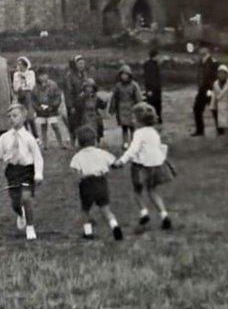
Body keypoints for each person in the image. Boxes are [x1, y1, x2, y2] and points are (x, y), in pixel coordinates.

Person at [0, 104, 44, 240]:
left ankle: (30, 227)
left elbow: (37, 157)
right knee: (15, 202)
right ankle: (20, 214)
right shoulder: (5, 138)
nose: (11, 119)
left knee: (26, 198)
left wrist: (38, 174)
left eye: (15, 116)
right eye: (9, 116)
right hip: (12, 171)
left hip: (27, 171)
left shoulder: (29, 138)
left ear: (23, 117)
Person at [112, 102, 174, 231]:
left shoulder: (138, 133)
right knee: (152, 191)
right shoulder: (154, 132)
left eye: (133, 118)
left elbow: (132, 150)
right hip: (154, 166)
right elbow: (159, 147)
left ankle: (144, 213)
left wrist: (121, 161)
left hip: (140, 167)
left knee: (137, 191)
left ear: (140, 120)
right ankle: (164, 215)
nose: (132, 120)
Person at [69, 125, 123, 241]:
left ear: (79, 142)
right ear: (95, 140)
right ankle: (115, 226)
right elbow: (115, 163)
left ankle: (88, 233)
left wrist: (79, 179)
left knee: (85, 210)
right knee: (106, 209)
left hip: (87, 184)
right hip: (101, 182)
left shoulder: (77, 157)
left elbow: (76, 172)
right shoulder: (102, 153)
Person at [108, 65, 143, 148]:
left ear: (129, 75)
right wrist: (112, 109)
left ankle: (134, 142)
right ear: (120, 76)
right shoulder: (118, 86)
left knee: (132, 127)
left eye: (126, 74)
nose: (124, 76)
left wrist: (139, 107)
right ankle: (125, 142)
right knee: (124, 127)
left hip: (131, 109)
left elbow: (138, 98)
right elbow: (114, 98)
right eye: (122, 75)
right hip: (121, 109)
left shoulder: (134, 85)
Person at [33, 69, 65, 149]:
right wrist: (38, 108)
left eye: (44, 75)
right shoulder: (35, 87)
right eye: (41, 76)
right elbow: (33, 99)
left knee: (55, 125)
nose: (43, 77)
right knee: (43, 126)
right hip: (41, 110)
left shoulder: (53, 84)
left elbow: (58, 96)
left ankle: (60, 143)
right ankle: (45, 144)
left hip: (52, 109)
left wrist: (53, 106)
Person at [192, 46, 218, 136]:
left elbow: (215, 77)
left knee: (214, 109)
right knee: (197, 109)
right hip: (202, 89)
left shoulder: (213, 62)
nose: (200, 51)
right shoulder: (201, 61)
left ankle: (220, 129)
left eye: (202, 49)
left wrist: (211, 89)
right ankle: (200, 130)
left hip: (209, 90)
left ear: (207, 50)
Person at [65, 55, 90, 148]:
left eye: (83, 63)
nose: (81, 65)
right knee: (73, 124)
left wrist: (86, 93)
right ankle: (72, 143)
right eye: (79, 63)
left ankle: (82, 142)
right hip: (73, 104)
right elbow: (68, 92)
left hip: (83, 103)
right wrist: (70, 106)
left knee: (82, 123)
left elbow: (87, 86)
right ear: (75, 65)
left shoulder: (84, 74)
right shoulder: (69, 76)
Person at [12, 56, 37, 136]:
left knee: (30, 116)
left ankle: (35, 136)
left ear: (25, 65)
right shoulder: (16, 74)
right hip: (20, 96)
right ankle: (25, 135)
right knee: (22, 117)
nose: (19, 66)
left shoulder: (31, 73)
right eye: (18, 64)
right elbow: (16, 87)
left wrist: (24, 81)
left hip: (28, 96)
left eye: (21, 64)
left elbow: (31, 85)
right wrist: (21, 86)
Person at [78, 78, 107, 144]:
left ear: (94, 88)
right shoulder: (82, 97)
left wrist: (105, 102)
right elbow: (78, 106)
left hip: (94, 115)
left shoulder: (96, 97)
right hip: (85, 116)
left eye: (91, 87)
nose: (89, 89)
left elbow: (102, 106)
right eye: (87, 87)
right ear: (84, 88)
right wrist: (82, 97)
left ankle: (97, 141)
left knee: (98, 125)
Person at [211, 66, 228, 136]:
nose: (221, 75)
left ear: (226, 74)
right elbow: (214, 95)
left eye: (223, 73)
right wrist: (213, 105)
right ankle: (223, 133)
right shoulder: (215, 83)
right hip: (220, 104)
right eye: (220, 73)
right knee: (222, 121)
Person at [143, 49, 163, 123]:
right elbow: (149, 78)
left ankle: (157, 117)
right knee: (152, 104)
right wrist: (150, 90)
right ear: (155, 56)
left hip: (156, 88)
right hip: (152, 89)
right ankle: (152, 119)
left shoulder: (155, 64)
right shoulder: (149, 65)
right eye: (158, 56)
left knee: (157, 104)